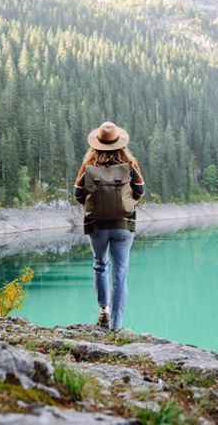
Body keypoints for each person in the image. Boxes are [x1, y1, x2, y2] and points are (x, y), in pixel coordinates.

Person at [74, 121, 145, 330]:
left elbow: (78, 194)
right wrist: (128, 203)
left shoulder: (88, 166)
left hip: (96, 225)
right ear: (120, 143)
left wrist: (93, 205)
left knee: (99, 264)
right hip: (124, 225)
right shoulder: (130, 165)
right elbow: (140, 191)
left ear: (96, 144)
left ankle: (103, 311)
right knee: (120, 274)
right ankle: (116, 326)